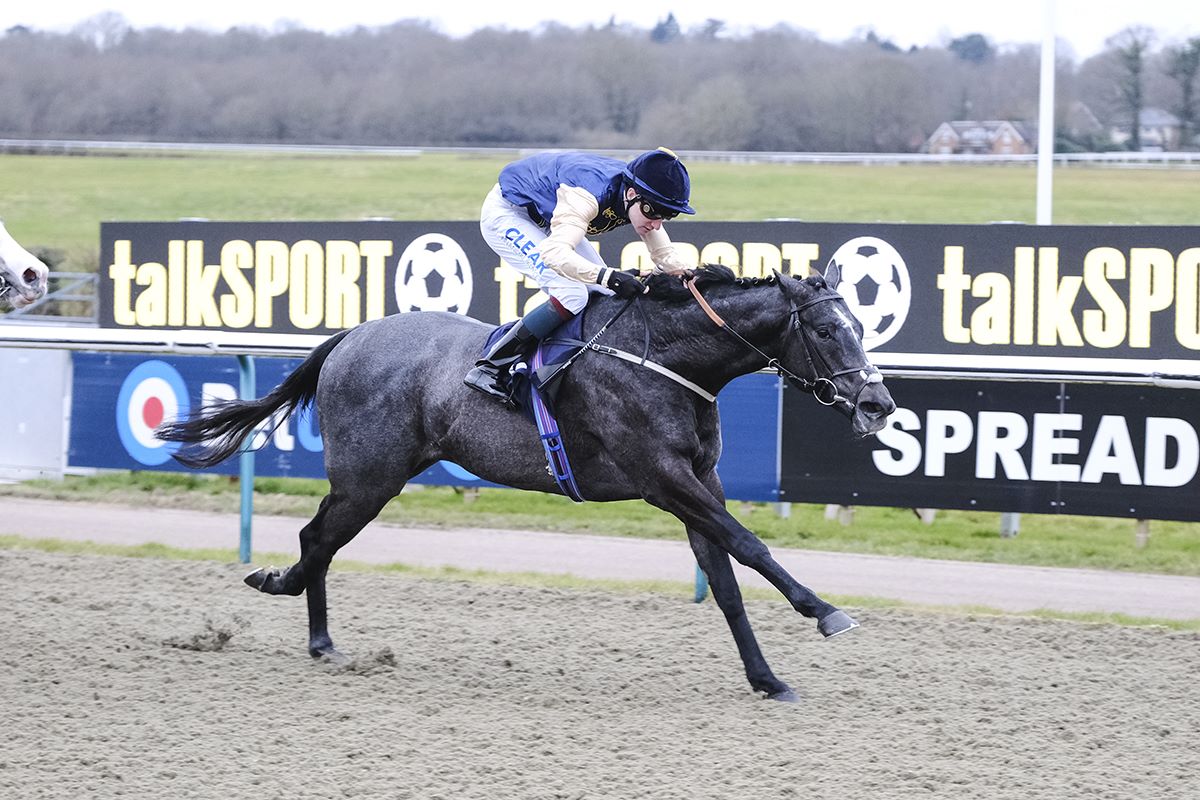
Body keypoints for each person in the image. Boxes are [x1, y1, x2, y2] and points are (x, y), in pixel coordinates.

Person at [465, 147, 696, 403]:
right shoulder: (586, 196)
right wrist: (608, 276)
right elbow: (555, 254)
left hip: (546, 216)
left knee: (603, 294)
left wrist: (689, 277)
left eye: (668, 215)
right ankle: (490, 366)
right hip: (508, 213)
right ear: (631, 193)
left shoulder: (638, 199)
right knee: (572, 293)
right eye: (653, 211)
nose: (656, 223)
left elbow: (665, 255)